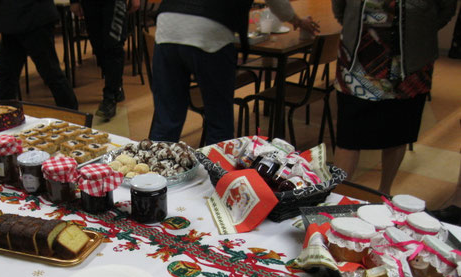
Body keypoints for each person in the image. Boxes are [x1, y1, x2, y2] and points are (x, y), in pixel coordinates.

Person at [148, 0, 320, 147]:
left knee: (166, 120)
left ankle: (151, 173)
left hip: (167, 27)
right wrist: (297, 20)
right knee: (219, 122)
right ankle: (217, 173)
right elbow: (277, 3)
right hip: (211, 31)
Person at [332, 0, 456, 194]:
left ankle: (384, 192)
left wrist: (416, 28)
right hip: (358, 59)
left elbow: (445, 10)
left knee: (398, 132)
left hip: (411, 63)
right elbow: (340, 8)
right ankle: (337, 197)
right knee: (349, 135)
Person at [0, 0, 79, 109]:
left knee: (50, 72)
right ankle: (4, 115)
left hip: (32, 16)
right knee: (7, 74)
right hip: (11, 19)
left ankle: (73, 114)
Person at [70, 0, 140, 120]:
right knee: (98, 46)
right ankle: (116, 86)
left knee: (113, 45)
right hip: (90, 4)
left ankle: (109, 97)